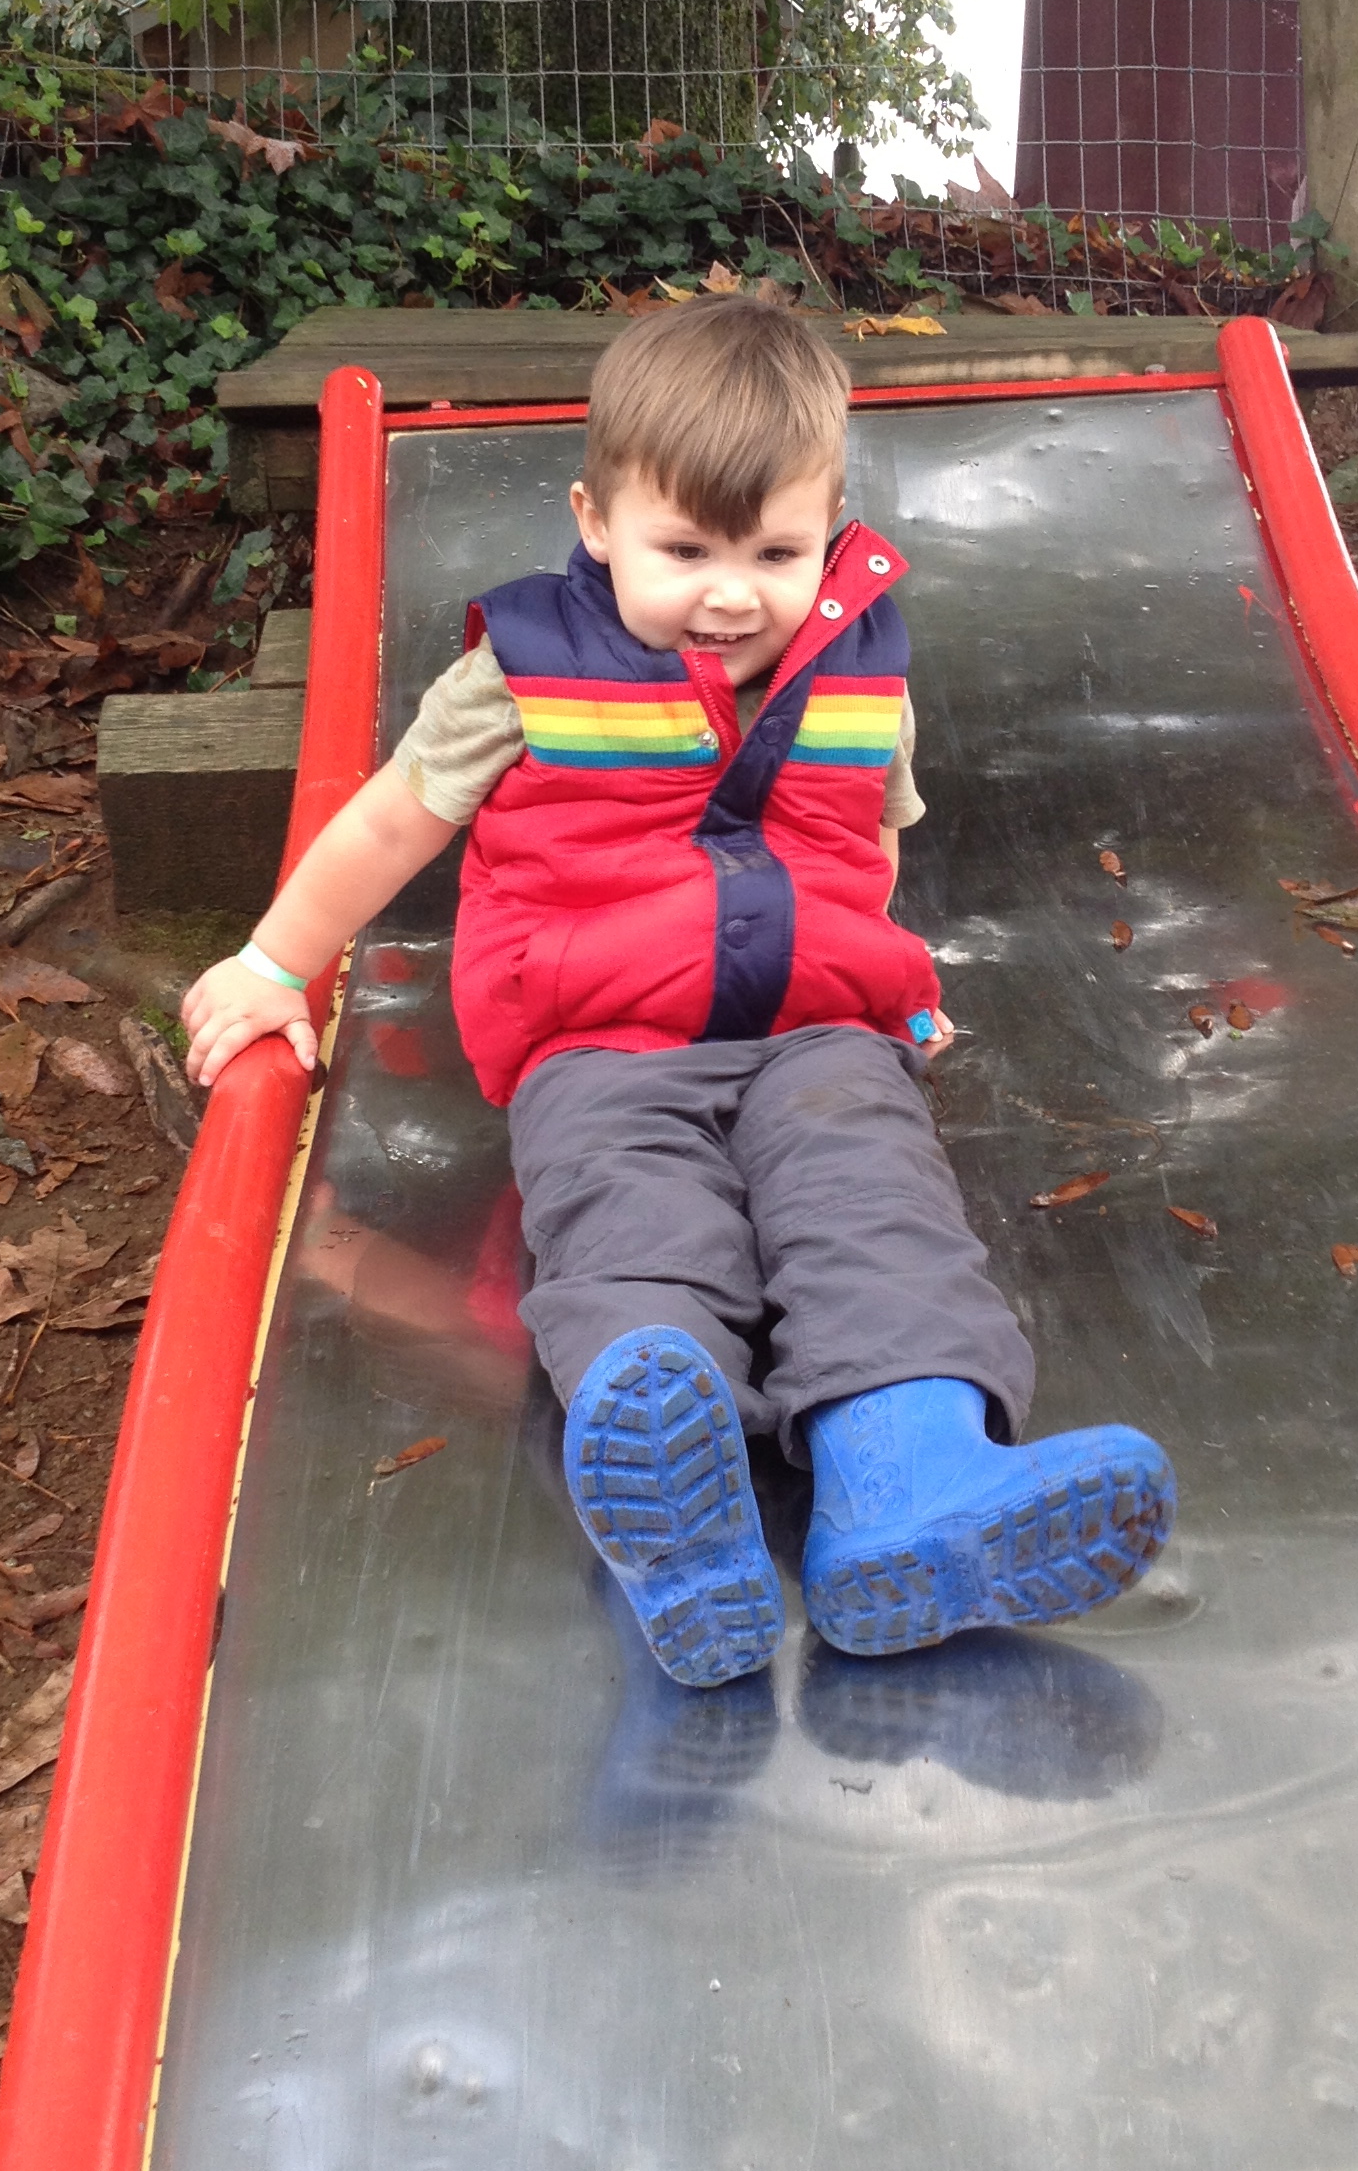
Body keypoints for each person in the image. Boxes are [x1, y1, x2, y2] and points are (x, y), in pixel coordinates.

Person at [181, 299, 1174, 1688]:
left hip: (817, 1033)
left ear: (830, 527)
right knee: (635, 1225)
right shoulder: (527, 669)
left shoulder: (863, 667)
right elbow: (393, 821)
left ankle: (911, 1487)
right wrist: (275, 962)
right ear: (597, 523)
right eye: (687, 551)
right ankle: (676, 1491)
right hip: (603, 1042)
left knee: (876, 1209)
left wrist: (886, 982)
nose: (733, 593)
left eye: (776, 552)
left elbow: (862, 844)